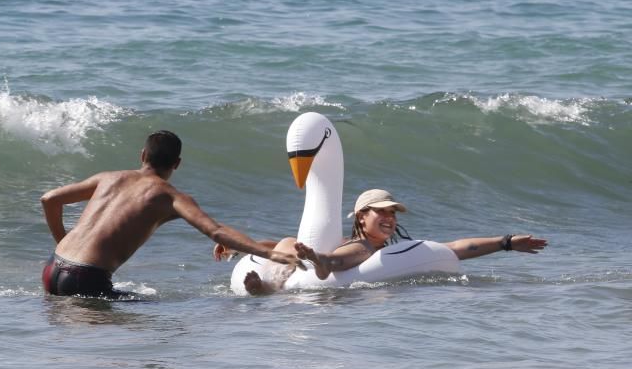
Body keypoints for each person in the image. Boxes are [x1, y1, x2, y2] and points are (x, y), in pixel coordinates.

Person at [40, 130, 301, 299]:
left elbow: (49, 199)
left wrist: (62, 242)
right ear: (177, 164)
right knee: (159, 319)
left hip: (52, 268)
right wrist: (270, 253)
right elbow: (216, 231)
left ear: (142, 155)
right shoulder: (169, 197)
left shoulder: (108, 178)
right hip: (86, 280)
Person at [218, 188, 548, 295]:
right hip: (316, 270)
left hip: (321, 273)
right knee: (289, 241)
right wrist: (238, 247)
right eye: (382, 212)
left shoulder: (369, 248)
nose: (390, 217)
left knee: (307, 249)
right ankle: (285, 277)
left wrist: (506, 242)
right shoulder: (360, 244)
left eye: (394, 212)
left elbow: (458, 248)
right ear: (362, 216)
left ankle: (280, 285)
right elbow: (278, 245)